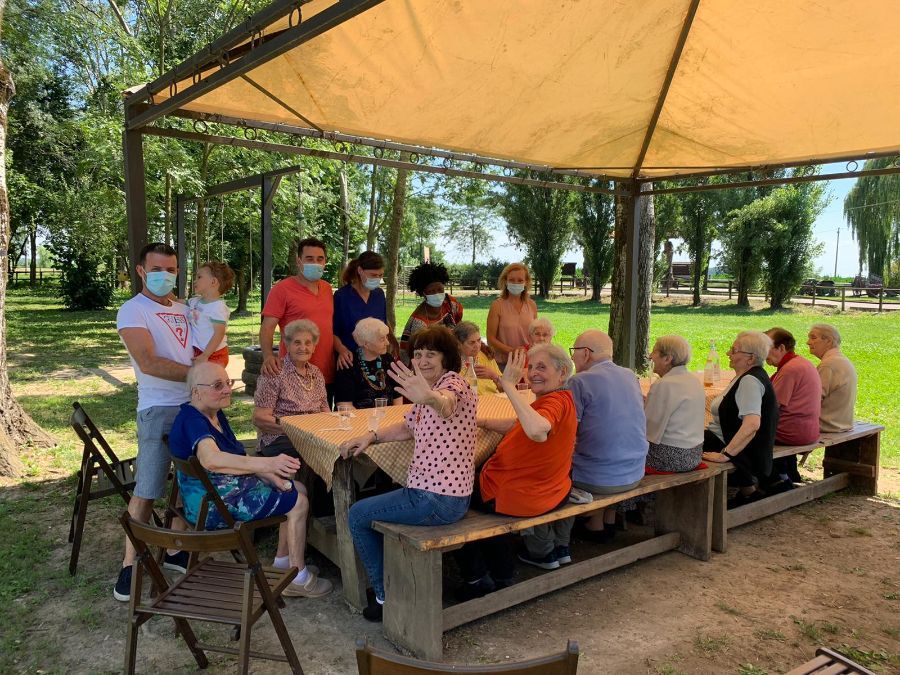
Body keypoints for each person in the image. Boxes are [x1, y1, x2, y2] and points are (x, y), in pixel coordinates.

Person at [340, 326, 476, 622]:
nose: (423, 360)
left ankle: (384, 596)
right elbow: (406, 426)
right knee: (373, 501)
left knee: (357, 514)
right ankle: (390, 586)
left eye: (431, 354)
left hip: (436, 499)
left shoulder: (453, 384)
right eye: (418, 354)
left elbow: (445, 403)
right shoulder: (426, 391)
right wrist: (371, 436)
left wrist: (429, 397)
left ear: (446, 358)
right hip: (439, 495)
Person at [169, 361, 331, 598]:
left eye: (227, 383)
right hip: (214, 505)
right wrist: (268, 463)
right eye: (217, 385)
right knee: (299, 503)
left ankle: (283, 564)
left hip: (223, 491)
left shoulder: (213, 413)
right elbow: (211, 460)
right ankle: (299, 578)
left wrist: (269, 475)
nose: (226, 389)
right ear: (196, 392)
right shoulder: (193, 420)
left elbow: (237, 456)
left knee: (298, 488)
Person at [114, 242, 192, 601]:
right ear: (141, 270)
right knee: (147, 489)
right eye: (158, 269)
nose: (166, 276)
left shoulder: (185, 307)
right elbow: (147, 361)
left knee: (190, 480)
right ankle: (130, 564)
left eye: (172, 269)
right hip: (158, 408)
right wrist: (200, 374)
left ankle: (175, 548)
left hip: (194, 409)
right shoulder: (132, 311)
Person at [462, 345, 576, 587]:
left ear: (562, 372)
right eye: (531, 366)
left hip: (520, 496)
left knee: (449, 494)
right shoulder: (561, 398)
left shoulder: (554, 402)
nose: (533, 372)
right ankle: (499, 567)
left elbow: (536, 429)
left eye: (542, 367)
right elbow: (523, 423)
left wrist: (509, 385)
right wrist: (482, 421)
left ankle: (484, 576)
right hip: (554, 490)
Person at [566, 330, 647, 543]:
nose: (573, 357)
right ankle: (606, 520)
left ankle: (594, 526)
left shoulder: (579, 381)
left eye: (574, 352)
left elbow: (567, 432)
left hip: (598, 478)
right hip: (634, 471)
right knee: (608, 442)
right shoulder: (630, 375)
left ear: (585, 353)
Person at [702, 331, 781, 507]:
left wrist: (726, 455)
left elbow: (752, 424)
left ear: (750, 358)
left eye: (734, 350)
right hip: (727, 440)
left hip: (738, 450)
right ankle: (748, 491)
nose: (728, 353)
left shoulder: (750, 381)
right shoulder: (748, 376)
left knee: (676, 447)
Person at [260, 238, 336, 395]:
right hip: (294, 372)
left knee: (326, 418)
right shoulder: (282, 289)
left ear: (325, 262)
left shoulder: (327, 288)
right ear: (298, 261)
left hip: (326, 372)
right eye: (309, 258)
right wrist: (268, 356)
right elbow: (267, 327)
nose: (315, 263)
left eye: (319, 259)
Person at [253, 319, 329, 458]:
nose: (303, 347)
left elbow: (325, 410)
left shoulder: (316, 373)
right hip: (280, 438)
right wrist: (298, 430)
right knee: (321, 451)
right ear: (287, 345)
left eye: (308, 343)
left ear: (314, 347)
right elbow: (260, 418)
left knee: (344, 447)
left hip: (314, 435)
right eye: (297, 342)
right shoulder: (275, 372)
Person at [765, 327, 822, 483]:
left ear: (781, 348)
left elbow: (771, 406)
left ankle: (771, 478)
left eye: (766, 349)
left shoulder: (789, 369)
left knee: (742, 428)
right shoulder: (801, 362)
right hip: (809, 429)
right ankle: (787, 471)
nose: (763, 355)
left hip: (793, 433)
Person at [644, 335, 706, 472]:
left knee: (620, 453)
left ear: (667, 359)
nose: (650, 356)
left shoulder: (664, 385)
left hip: (671, 457)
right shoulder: (693, 380)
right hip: (694, 454)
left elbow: (649, 429)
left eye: (654, 352)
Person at [398, 262, 463, 363]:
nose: (437, 294)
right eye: (431, 291)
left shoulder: (450, 304)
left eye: (440, 289)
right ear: (423, 293)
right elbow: (418, 356)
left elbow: (460, 329)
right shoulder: (418, 323)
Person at [333, 251, 387, 365]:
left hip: (376, 359)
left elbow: (384, 325)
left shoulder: (379, 295)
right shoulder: (342, 297)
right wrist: (341, 350)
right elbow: (333, 332)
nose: (377, 279)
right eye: (373, 275)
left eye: (380, 275)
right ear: (360, 271)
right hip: (349, 360)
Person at [334, 318, 401, 408]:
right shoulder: (348, 363)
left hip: (388, 418)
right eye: (382, 339)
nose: (387, 343)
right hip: (358, 419)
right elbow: (344, 405)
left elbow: (397, 395)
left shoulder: (388, 359)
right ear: (366, 344)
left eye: (386, 337)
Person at [486, 263, 538, 370]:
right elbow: (491, 339)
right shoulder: (497, 305)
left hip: (527, 363)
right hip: (503, 365)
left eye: (520, 280)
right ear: (505, 281)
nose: (516, 283)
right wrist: (512, 351)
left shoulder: (532, 305)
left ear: (526, 282)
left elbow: (535, 334)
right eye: (512, 280)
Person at [807, 323, 857, 433]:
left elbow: (812, 400)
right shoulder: (841, 359)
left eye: (813, 338)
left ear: (828, 341)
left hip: (828, 425)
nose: (808, 342)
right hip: (842, 422)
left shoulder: (829, 365)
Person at [186, 260, 234, 367]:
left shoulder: (218, 307)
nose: (194, 281)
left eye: (199, 277)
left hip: (214, 354)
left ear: (213, 282)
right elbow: (176, 301)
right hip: (200, 352)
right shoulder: (195, 301)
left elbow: (219, 333)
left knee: (209, 383)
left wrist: (205, 355)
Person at [455, 321, 502, 396]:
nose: (477, 346)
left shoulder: (486, 355)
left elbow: (505, 388)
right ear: (458, 344)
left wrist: (494, 376)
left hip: (495, 402)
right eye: (472, 343)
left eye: (479, 340)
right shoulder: (452, 364)